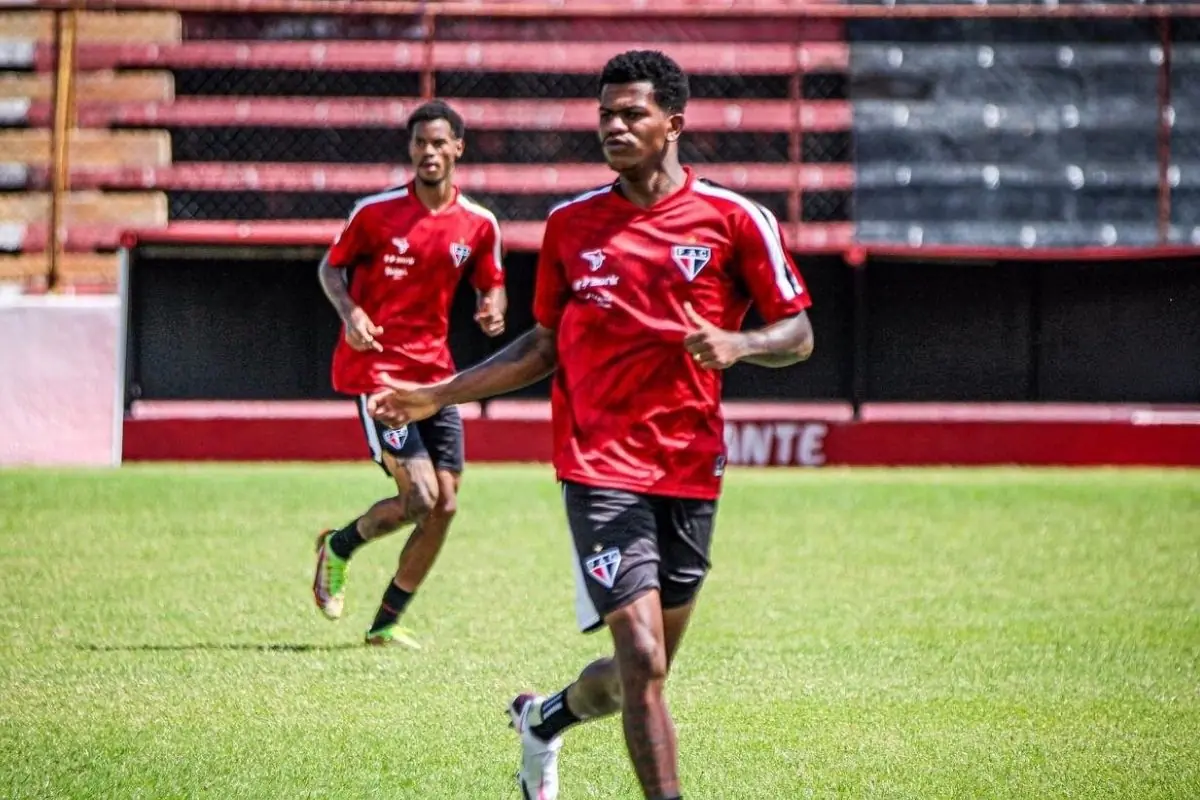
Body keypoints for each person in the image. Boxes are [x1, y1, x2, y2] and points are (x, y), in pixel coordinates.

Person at [368, 51, 813, 798]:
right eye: (606, 113)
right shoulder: (570, 225)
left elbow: (798, 333)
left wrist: (741, 344)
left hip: (690, 467)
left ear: (674, 123)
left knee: (642, 674)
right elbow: (541, 346)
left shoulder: (738, 219)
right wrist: (435, 395)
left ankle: (544, 718)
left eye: (633, 113)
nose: (614, 126)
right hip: (598, 467)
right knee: (641, 656)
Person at [312, 99, 507, 649]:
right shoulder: (375, 213)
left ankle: (384, 624)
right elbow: (330, 267)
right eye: (420, 143)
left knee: (445, 505)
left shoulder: (478, 223)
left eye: (439, 142)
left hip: (436, 380)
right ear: (411, 149)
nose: (429, 152)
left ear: (458, 148)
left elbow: (492, 281)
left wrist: (492, 307)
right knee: (420, 496)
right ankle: (339, 547)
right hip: (378, 373)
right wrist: (351, 313)